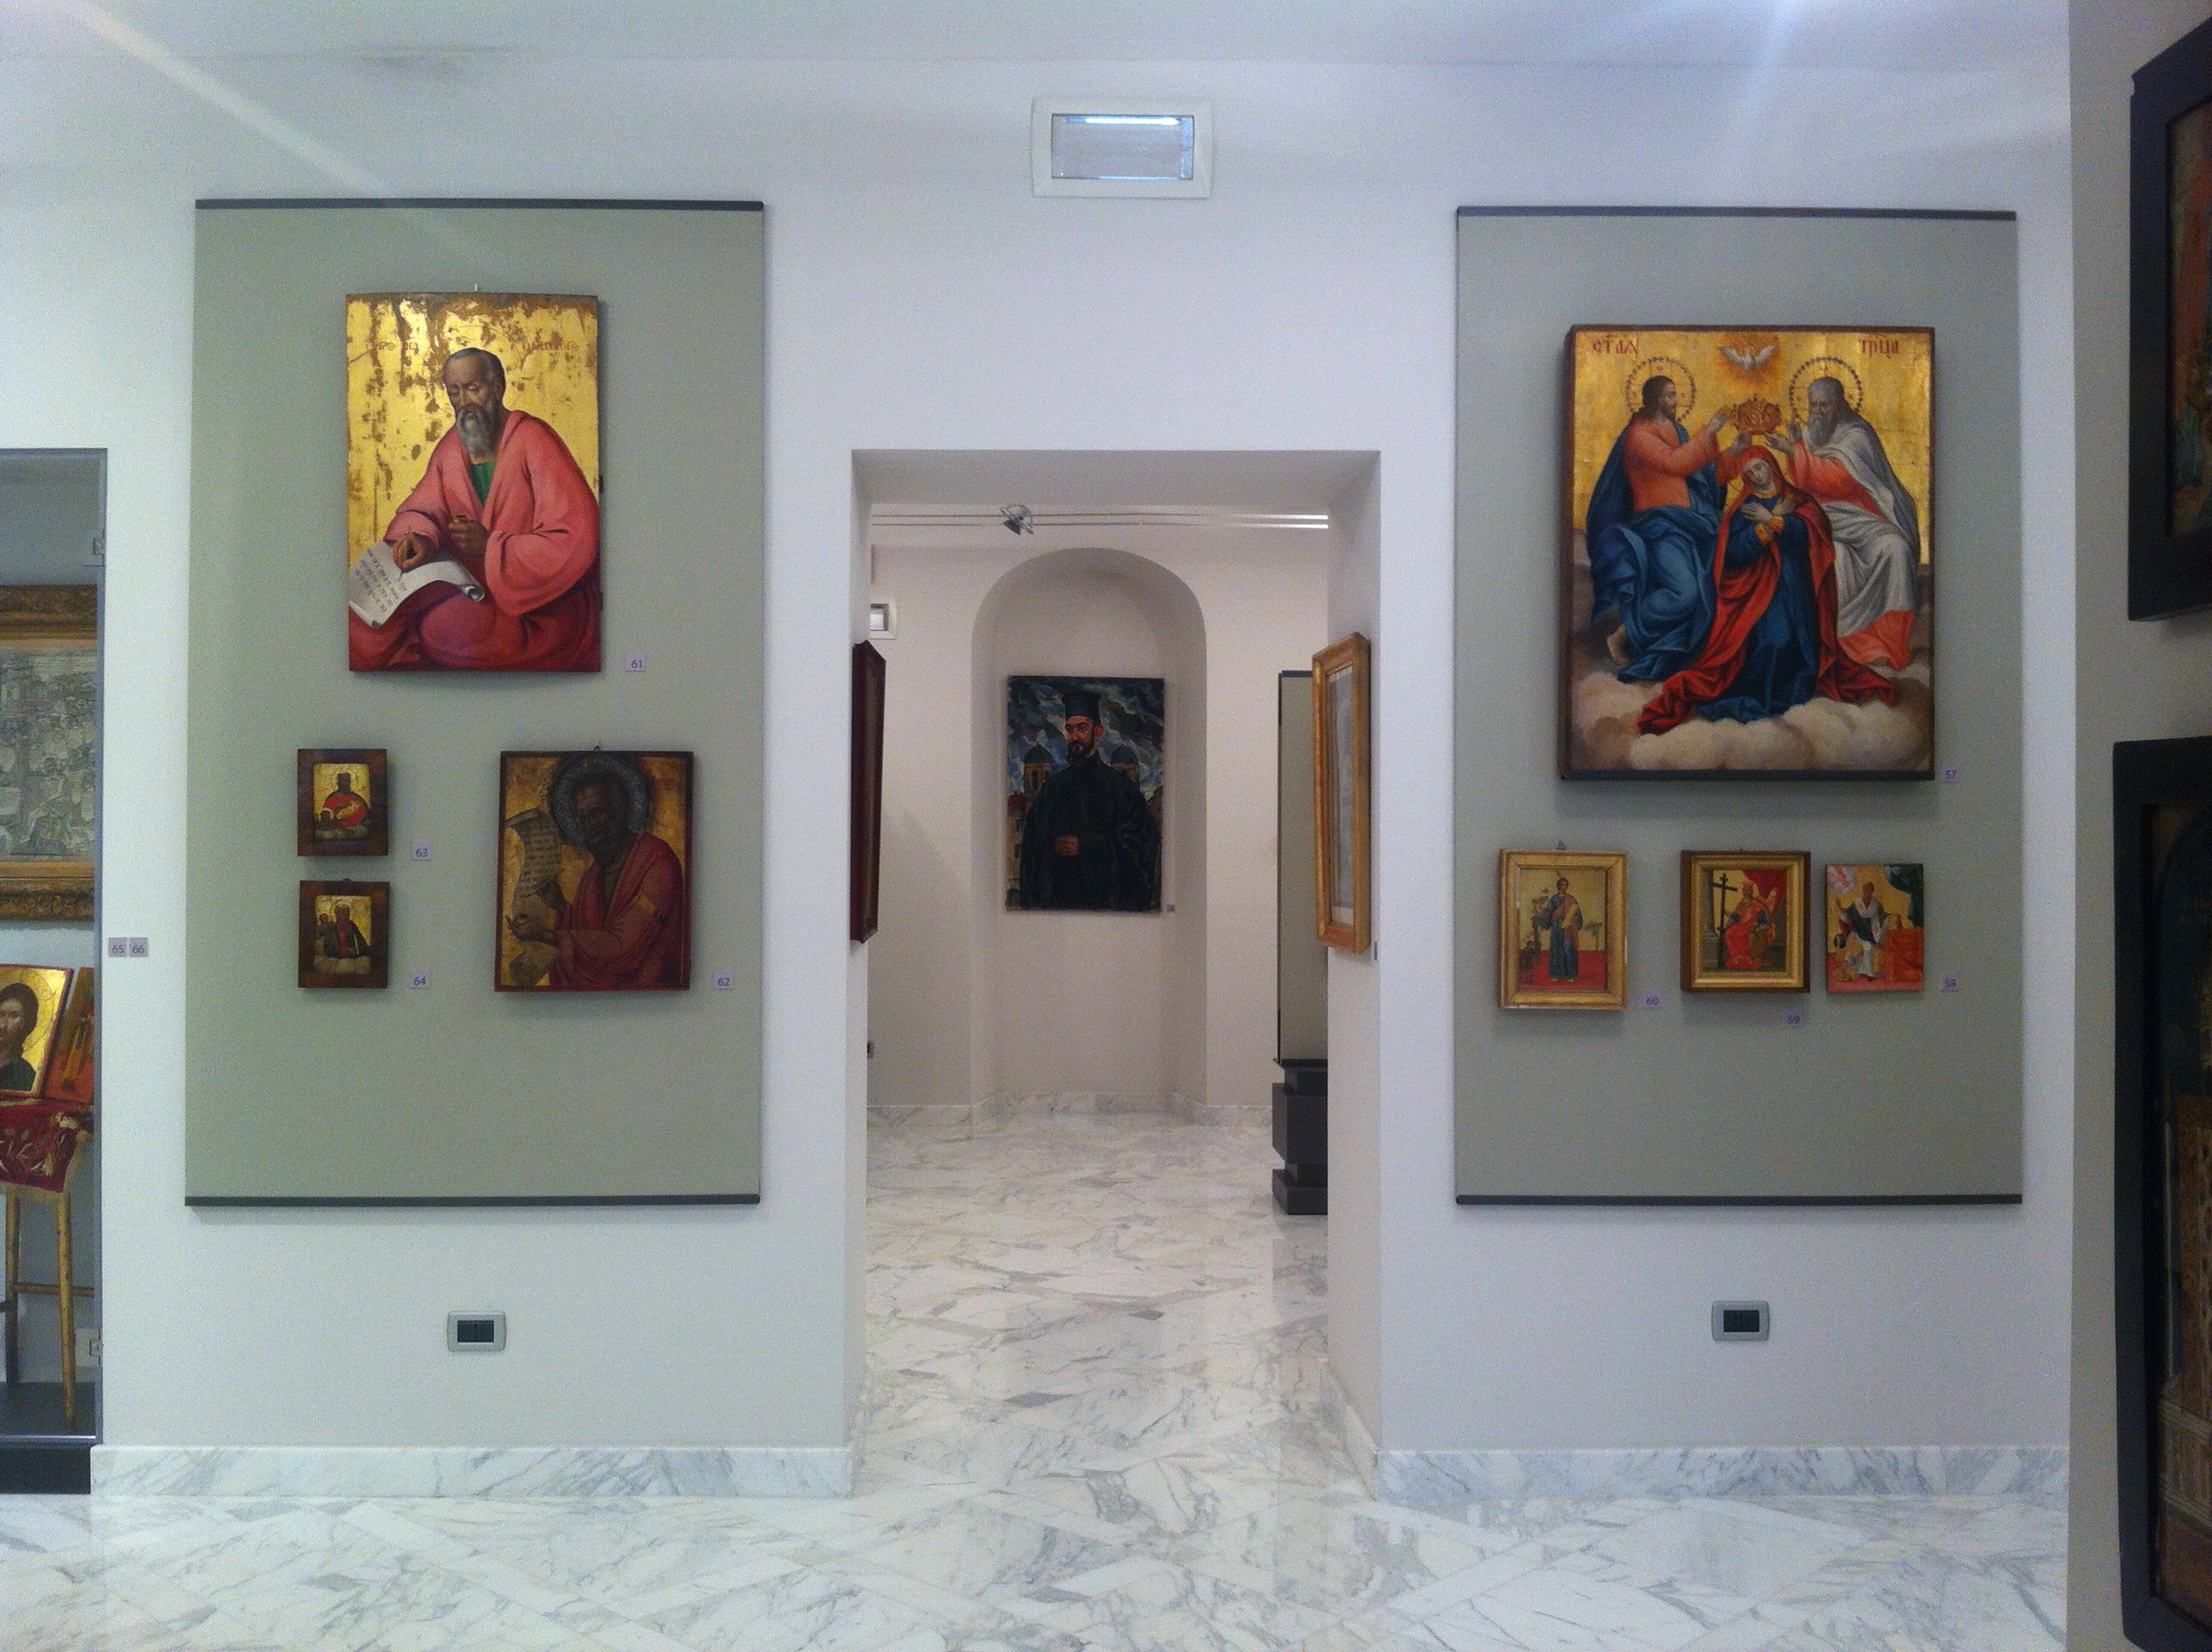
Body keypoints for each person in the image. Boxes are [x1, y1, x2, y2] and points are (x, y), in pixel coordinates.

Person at [350, 347, 601, 672]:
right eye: (454, 392)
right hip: (467, 586)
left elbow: (576, 538)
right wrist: (421, 538)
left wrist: (491, 547)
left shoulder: (534, 440)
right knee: (366, 618)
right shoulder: (452, 447)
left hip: (537, 603)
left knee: (446, 629)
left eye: (473, 388)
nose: (464, 402)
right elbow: (425, 509)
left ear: (497, 387)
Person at [1637, 445, 1898, 735]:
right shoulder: (1744, 508)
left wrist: (1774, 519)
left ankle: (1792, 683)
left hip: (1795, 589)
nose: (1756, 475)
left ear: (1771, 466)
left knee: (1793, 643)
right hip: (1758, 594)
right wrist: (1765, 526)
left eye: (1759, 467)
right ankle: (1764, 693)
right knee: (1770, 642)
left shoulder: (1796, 498)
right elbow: (1733, 553)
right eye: (1749, 472)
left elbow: (1812, 530)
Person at [1769, 377, 1921, 669]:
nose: (1818, 412)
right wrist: (1797, 446)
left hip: (1861, 515)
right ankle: (1840, 643)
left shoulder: (1857, 435)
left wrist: (1794, 451)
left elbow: (1838, 480)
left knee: (1896, 549)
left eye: (1825, 405)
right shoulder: (1810, 434)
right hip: (1823, 516)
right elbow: (1804, 482)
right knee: (1835, 558)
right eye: (1814, 405)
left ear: (1840, 405)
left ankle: (1888, 644)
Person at [1584, 375, 1728, 681]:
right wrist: (1710, 431)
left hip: (1688, 521)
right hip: (1658, 524)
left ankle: (1685, 655)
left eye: (1676, 395)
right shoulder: (1638, 435)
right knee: (1684, 593)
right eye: (1670, 395)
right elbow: (1675, 463)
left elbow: (1702, 473)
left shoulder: (1677, 430)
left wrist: (1734, 453)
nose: (1676, 401)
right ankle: (1623, 633)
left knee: (1713, 585)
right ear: (1656, 399)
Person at [509, 773, 687, 988]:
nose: (590, 825)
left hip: (649, 994)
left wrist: (546, 936)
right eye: (582, 818)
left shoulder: (658, 863)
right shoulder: (592, 877)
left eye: (596, 813)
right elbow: (589, 934)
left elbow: (622, 948)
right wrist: (561, 907)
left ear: (620, 811)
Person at [1016, 689, 1159, 911]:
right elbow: (1032, 848)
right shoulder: (1052, 789)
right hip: (1058, 908)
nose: (1075, 736)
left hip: (1108, 906)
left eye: (1082, 728)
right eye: (1070, 729)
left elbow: (1141, 844)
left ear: (1097, 732)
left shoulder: (1121, 789)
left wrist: (1087, 848)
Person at [1531, 877, 1583, 984]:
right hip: (1556, 929)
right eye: (1562, 884)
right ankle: (1556, 974)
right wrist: (1541, 917)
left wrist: (1573, 922)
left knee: (1568, 950)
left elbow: (1577, 913)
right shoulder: (1553, 899)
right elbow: (1548, 913)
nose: (1564, 887)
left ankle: (1570, 975)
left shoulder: (1571, 899)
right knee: (1556, 950)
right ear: (1558, 886)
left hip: (1568, 929)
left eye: (1566, 885)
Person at [1837, 879, 1889, 980]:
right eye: (1864, 889)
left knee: (1869, 950)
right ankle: (1851, 971)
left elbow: (1882, 917)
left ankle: (1869, 973)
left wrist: (1887, 920)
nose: (1865, 891)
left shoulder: (1876, 905)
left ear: (1871, 891)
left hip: (1872, 933)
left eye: (1868, 889)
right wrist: (1839, 907)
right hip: (1858, 932)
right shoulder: (1857, 903)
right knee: (1852, 951)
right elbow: (1848, 914)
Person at [0, 983, 39, 1091]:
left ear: (25, 1023)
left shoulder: (25, 1075)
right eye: (1, 1014)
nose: (3, 1025)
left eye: (13, 1016)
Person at [318, 771, 369, 839]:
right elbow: (326, 817)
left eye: (348, 781)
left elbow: (366, 814)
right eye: (344, 781)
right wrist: (338, 807)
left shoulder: (357, 797)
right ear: (338, 783)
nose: (347, 783)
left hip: (357, 829)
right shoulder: (332, 798)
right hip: (339, 830)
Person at [318, 900, 370, 965]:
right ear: (336, 915)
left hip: (353, 959)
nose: (343, 916)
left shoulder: (352, 926)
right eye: (340, 913)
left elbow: (362, 944)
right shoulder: (331, 928)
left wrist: (356, 950)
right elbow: (328, 949)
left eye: (345, 913)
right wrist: (344, 950)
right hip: (336, 960)